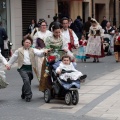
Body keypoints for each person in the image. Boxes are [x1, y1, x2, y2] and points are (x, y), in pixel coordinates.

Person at [8, 36, 50, 102]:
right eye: (26, 42)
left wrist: (44, 52)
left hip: (29, 68)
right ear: (23, 43)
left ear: (31, 44)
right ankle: (28, 95)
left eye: (29, 43)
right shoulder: (19, 50)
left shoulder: (32, 50)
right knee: (26, 80)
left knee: (27, 82)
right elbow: (13, 58)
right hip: (22, 68)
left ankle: (23, 93)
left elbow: (39, 53)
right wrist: (9, 64)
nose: (27, 44)